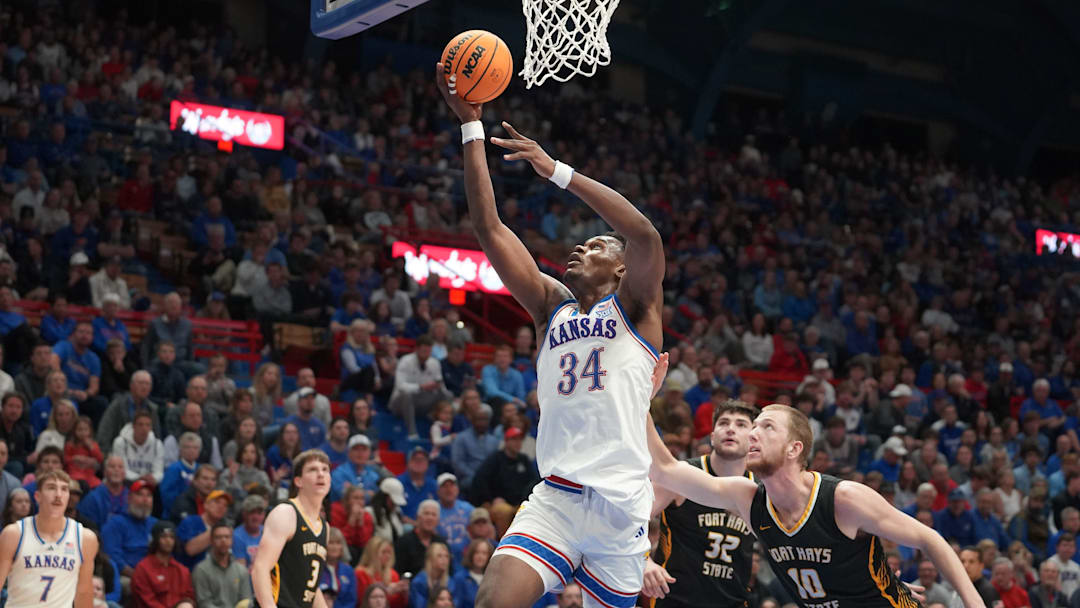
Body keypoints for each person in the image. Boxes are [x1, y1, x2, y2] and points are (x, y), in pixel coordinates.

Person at [439, 62, 667, 608]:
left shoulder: (637, 309)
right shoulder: (551, 309)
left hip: (620, 509)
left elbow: (644, 233)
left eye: (594, 247)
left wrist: (555, 170)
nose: (578, 250)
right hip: (557, 498)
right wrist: (471, 126)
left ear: (618, 269)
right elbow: (489, 229)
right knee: (493, 601)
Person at [648, 401, 985, 607]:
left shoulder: (844, 499)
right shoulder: (747, 498)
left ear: (794, 448)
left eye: (766, 427)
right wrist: (638, 399)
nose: (752, 433)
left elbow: (930, 538)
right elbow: (664, 469)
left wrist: (974, 603)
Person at [642, 401, 758, 607]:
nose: (731, 428)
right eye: (723, 423)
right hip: (675, 599)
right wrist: (643, 560)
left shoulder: (757, 490)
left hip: (733, 601)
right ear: (712, 437)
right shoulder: (681, 475)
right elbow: (632, 518)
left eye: (741, 424)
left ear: (754, 440)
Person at [0, 469, 98, 608]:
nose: (58, 495)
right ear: (38, 496)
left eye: (64, 489)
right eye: (51, 488)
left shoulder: (85, 538)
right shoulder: (14, 534)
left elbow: (83, 592)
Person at [251, 450, 332, 608]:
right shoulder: (286, 514)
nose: (321, 474)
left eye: (325, 469)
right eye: (313, 470)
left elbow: (311, 587)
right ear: (298, 481)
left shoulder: (324, 527)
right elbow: (260, 568)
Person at [100, 479, 158, 579]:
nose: (145, 499)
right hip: (126, 576)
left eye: (149, 495)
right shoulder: (115, 524)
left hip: (153, 576)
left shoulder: (155, 524)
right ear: (129, 498)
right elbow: (112, 557)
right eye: (140, 494)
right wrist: (138, 577)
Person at [131, 520, 195, 608]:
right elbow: (147, 600)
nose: (168, 540)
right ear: (155, 539)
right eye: (163, 537)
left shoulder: (182, 570)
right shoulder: (143, 568)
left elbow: (189, 596)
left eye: (171, 537)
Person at [192, 523, 253, 608]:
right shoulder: (201, 569)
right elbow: (204, 603)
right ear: (211, 541)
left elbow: (247, 600)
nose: (223, 540)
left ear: (232, 540)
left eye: (227, 537)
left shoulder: (241, 570)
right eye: (218, 537)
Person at [395, 499, 447, 576]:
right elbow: (399, 570)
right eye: (426, 513)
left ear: (438, 521)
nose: (430, 518)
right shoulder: (403, 542)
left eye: (433, 515)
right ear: (418, 517)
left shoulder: (442, 543)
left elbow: (448, 571)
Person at [318, 527, 358, 608]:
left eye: (338, 543)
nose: (335, 547)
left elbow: (351, 600)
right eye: (331, 543)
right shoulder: (317, 568)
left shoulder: (348, 571)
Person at [410, 542, 451, 608]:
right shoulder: (419, 582)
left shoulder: (450, 581)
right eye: (439, 556)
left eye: (446, 556)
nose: (444, 560)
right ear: (431, 559)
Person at [233, 494, 267, 564]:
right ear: (244, 514)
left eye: (259, 513)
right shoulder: (236, 536)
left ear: (264, 515)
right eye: (252, 512)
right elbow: (241, 570)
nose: (256, 517)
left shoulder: (267, 532)